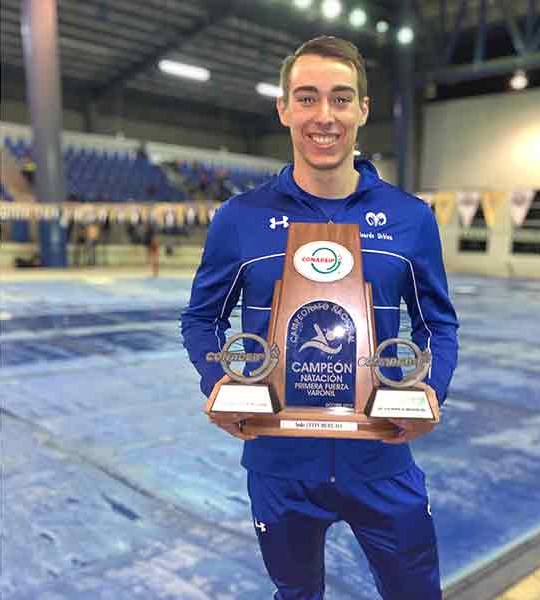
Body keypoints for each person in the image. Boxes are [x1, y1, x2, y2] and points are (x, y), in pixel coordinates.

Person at [180, 36, 458, 600]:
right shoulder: (240, 218)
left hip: (380, 453)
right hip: (279, 461)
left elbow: (437, 323)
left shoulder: (411, 218)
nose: (323, 116)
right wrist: (221, 385)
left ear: (362, 109)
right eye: (306, 99)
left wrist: (431, 392)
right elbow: (201, 319)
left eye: (340, 98)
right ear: (284, 109)